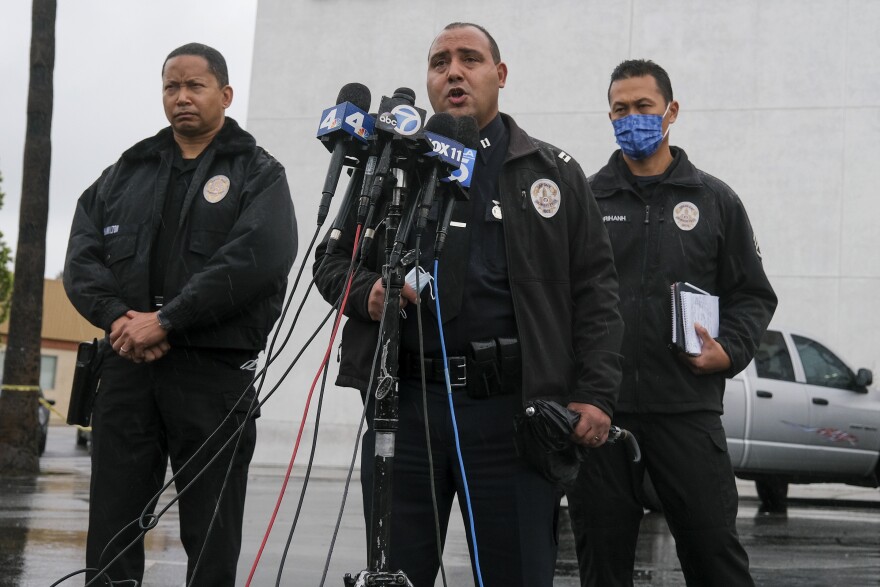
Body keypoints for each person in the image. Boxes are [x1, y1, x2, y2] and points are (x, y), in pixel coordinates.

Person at [313, 22, 623, 587]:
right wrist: (367, 296)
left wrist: (596, 392)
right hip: (403, 407)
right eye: (439, 62)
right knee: (395, 575)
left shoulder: (552, 172)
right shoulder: (391, 166)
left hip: (511, 411)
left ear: (499, 76)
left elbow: (597, 291)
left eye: (469, 59)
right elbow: (331, 265)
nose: (453, 71)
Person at [63, 43, 297, 585]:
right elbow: (82, 254)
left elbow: (256, 258)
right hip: (126, 369)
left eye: (196, 86)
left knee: (211, 532)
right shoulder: (127, 171)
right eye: (172, 86)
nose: (182, 97)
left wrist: (167, 321)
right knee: (113, 529)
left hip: (212, 375)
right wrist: (120, 318)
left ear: (225, 94)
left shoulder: (258, 173)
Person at [565, 59, 778, 586]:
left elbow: (752, 295)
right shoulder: (585, 200)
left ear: (671, 111)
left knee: (716, 563)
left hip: (687, 415)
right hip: (600, 421)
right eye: (620, 109)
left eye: (643, 107)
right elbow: (558, 301)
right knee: (602, 571)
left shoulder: (715, 201)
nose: (631, 118)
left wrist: (728, 350)